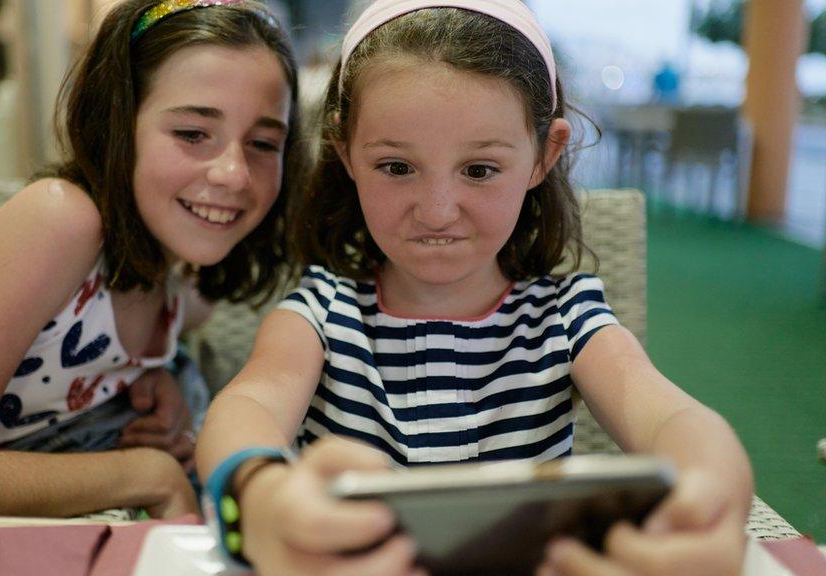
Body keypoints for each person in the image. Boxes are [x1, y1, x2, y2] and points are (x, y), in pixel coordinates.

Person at [196, 1, 754, 574]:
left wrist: (712, 493)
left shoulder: (568, 317)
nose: (438, 212)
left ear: (544, 154)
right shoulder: (321, 312)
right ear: (346, 153)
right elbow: (247, 407)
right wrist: (259, 494)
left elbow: (672, 420)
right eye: (395, 167)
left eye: (480, 170)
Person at [0, 0, 301, 518]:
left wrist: (164, 378)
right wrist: (147, 473)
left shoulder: (185, 279)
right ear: (118, 124)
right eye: (192, 134)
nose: (234, 174)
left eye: (264, 142)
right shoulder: (59, 221)